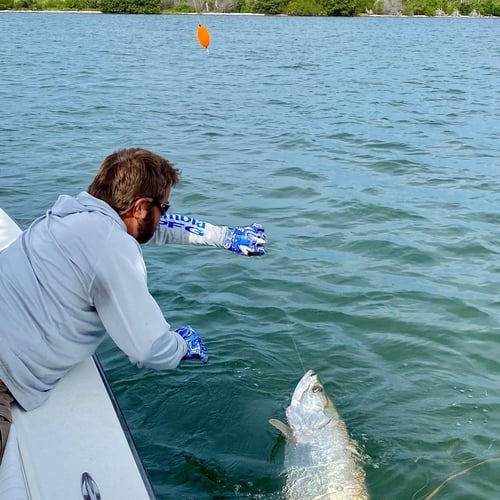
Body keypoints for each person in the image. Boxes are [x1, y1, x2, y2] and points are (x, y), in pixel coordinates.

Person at [0, 148, 266, 463]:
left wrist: (222, 236)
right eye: (164, 206)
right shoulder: (112, 247)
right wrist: (181, 345)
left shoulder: (72, 215)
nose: (165, 214)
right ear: (140, 207)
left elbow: (150, 228)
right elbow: (149, 349)